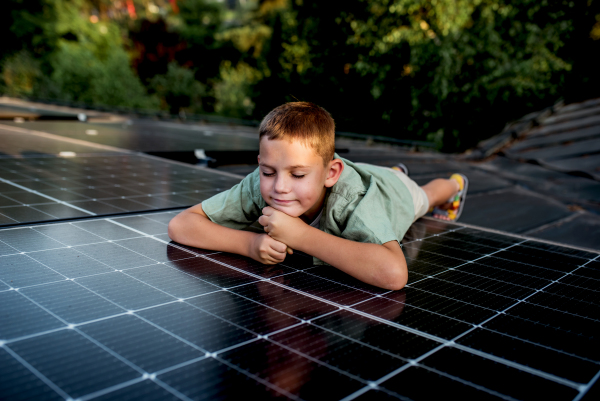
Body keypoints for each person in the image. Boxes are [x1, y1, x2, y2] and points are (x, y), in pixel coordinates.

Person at [168, 102, 467, 291]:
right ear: (260, 163)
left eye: (297, 175)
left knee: (425, 197)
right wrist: (250, 244)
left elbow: (394, 274)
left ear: (330, 174)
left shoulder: (354, 199)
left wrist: (300, 236)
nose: (279, 187)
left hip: (393, 192)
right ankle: (389, 171)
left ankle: (454, 184)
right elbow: (181, 226)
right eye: (269, 172)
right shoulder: (259, 183)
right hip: (351, 173)